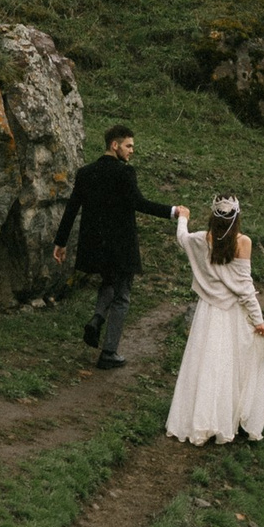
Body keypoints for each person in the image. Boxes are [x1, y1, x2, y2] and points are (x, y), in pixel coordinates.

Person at [50, 125, 178, 368]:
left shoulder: (86, 172)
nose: (132, 151)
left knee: (109, 282)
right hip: (121, 246)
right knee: (123, 297)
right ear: (114, 145)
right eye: (128, 145)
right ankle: (109, 352)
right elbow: (139, 203)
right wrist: (173, 211)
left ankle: (97, 319)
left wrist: (60, 242)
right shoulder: (124, 173)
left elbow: (72, 208)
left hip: (95, 246)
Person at [165, 194, 264, 446]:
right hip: (232, 313)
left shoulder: (202, 239)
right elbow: (245, 287)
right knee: (228, 364)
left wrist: (184, 218)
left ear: (214, 216)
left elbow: (182, 239)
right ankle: (224, 419)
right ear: (237, 218)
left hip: (207, 311)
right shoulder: (242, 242)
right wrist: (259, 320)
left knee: (205, 364)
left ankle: (200, 418)